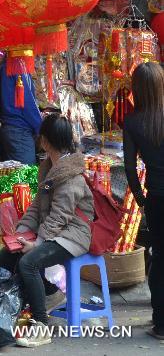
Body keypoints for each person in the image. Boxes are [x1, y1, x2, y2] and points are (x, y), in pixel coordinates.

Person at [0, 114, 93, 348]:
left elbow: (60, 216)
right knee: (5, 256)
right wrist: (20, 233)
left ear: (45, 141)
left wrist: (37, 243)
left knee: (28, 262)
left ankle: (41, 325)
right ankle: (50, 294)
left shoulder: (70, 176)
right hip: (54, 231)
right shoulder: (49, 167)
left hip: (73, 235)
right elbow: (37, 206)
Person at [123, 62, 164, 340]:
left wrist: (139, 198)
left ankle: (161, 323)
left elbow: (128, 166)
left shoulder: (133, 122)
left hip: (157, 199)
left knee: (160, 259)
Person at [0, 58, 42, 164]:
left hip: (8, 128)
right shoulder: (18, 65)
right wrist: (41, 128)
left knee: (15, 176)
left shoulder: (3, 65)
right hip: (20, 131)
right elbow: (27, 102)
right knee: (26, 176)